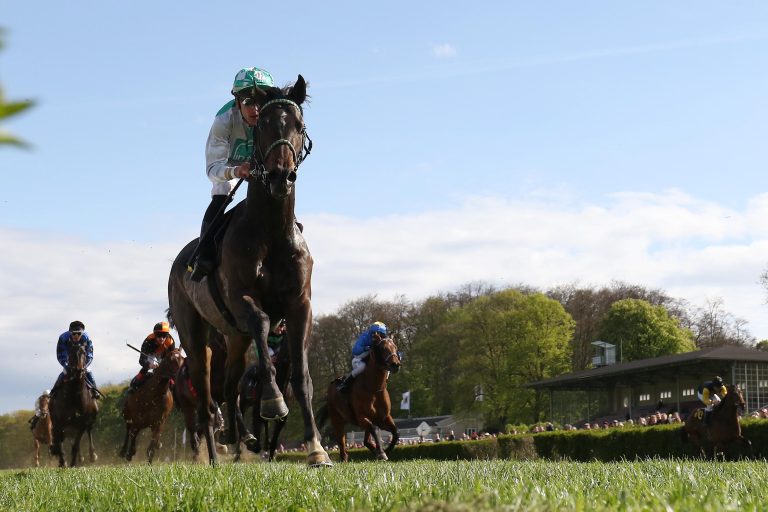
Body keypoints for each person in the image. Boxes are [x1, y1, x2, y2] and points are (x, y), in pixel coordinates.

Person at [188, 67, 276, 281]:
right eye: (248, 102)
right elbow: (212, 170)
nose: (256, 109)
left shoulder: (271, 116)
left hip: (258, 163)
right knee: (223, 192)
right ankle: (204, 254)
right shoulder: (223, 120)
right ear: (237, 101)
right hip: (228, 165)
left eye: (260, 101)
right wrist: (236, 170)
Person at [50, 321, 99, 399]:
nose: (76, 336)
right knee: (65, 372)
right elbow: (60, 354)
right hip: (69, 360)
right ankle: (54, 391)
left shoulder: (87, 338)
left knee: (88, 371)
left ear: (82, 333)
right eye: (74, 333)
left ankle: (95, 391)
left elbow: (90, 354)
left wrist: (85, 366)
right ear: (70, 333)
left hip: (82, 361)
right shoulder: (63, 338)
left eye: (79, 333)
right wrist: (66, 365)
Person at [336, 322, 388, 392]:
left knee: (387, 364)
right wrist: (366, 348)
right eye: (374, 333)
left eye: (380, 334)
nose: (376, 336)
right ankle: (345, 383)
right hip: (358, 359)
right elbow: (355, 350)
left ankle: (385, 381)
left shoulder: (385, 340)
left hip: (372, 359)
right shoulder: (364, 336)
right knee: (362, 367)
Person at [127, 321, 177, 393]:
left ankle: (173, 384)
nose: (162, 338)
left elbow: (172, 359)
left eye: (164, 335)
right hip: (151, 353)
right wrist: (149, 365)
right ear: (155, 335)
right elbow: (141, 360)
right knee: (147, 366)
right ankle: (134, 385)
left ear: (167, 335)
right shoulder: (148, 341)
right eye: (159, 335)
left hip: (163, 353)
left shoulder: (170, 341)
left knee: (168, 367)